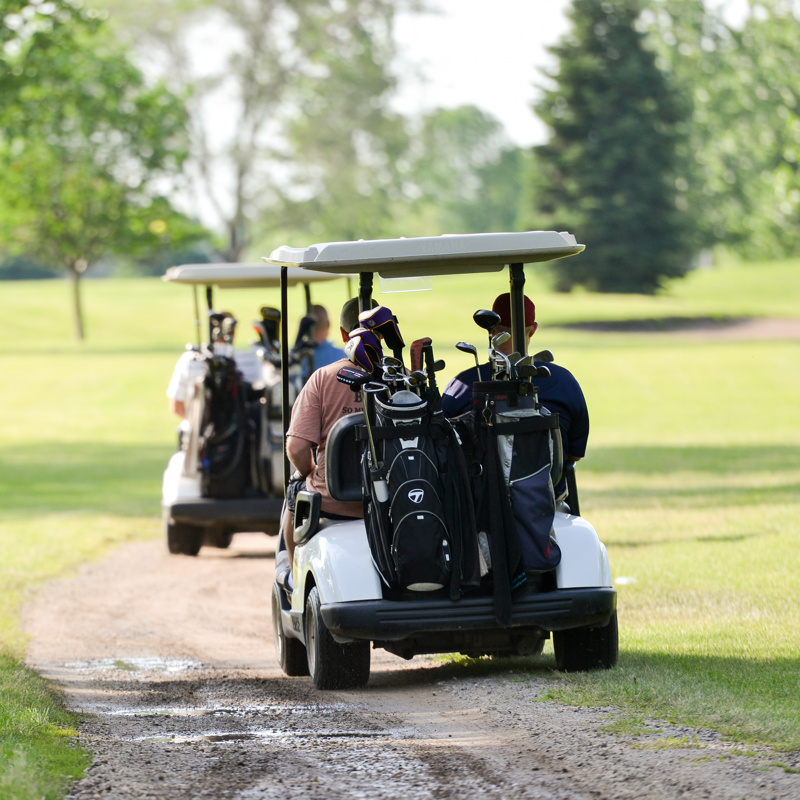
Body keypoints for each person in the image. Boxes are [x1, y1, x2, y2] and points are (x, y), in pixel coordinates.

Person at [441, 293, 589, 496]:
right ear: (533, 329)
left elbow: (444, 451)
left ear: (492, 330)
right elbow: (573, 456)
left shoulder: (462, 386)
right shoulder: (564, 381)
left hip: (478, 503)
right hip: (545, 499)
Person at [278, 297, 377, 580]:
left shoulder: (323, 379)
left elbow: (296, 447)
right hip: (390, 500)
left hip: (333, 502)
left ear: (345, 335)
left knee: (296, 486)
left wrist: (309, 472)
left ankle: (293, 575)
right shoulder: (404, 379)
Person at [166, 311, 263, 418]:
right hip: (245, 429)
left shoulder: (190, 358)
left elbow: (176, 406)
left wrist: (196, 426)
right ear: (233, 332)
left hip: (198, 429)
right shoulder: (251, 359)